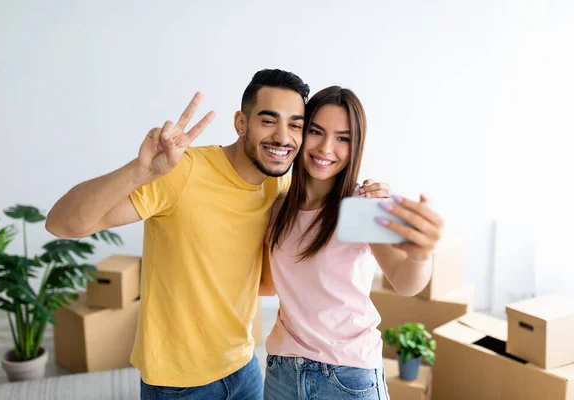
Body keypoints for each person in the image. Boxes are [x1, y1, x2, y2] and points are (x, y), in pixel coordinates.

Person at [45, 69, 382, 399]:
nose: (283, 137)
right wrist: (140, 171)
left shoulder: (280, 184)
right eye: (268, 120)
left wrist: (370, 201)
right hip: (179, 384)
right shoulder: (181, 171)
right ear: (241, 123)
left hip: (244, 366)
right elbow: (62, 223)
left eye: (295, 125)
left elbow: (268, 281)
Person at [260, 86, 444, 400]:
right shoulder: (278, 207)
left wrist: (421, 255)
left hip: (346, 376)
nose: (326, 148)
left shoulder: (361, 205)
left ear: (356, 145)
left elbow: (404, 281)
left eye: (343, 138)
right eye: (316, 131)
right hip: (282, 372)